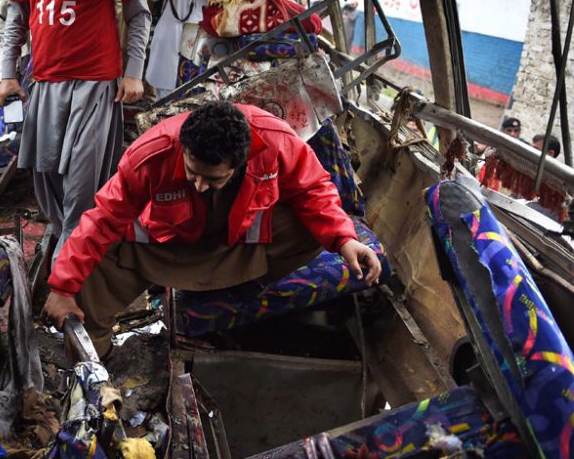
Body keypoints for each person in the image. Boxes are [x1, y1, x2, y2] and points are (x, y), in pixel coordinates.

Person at [43, 101, 382, 357]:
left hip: (237, 243)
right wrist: (62, 286)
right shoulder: (152, 154)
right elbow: (101, 218)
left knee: (312, 227)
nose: (200, 185)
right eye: (192, 172)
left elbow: (313, 190)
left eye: (213, 177)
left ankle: (235, 287)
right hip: (168, 246)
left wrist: (344, 240)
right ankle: (97, 371)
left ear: (242, 159)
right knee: (95, 270)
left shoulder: (276, 141)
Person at [0, 0, 152, 257]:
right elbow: (16, 14)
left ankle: (66, 277)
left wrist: (133, 71)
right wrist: (8, 72)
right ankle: (66, 245)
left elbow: (139, 13)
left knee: (83, 186)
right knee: (46, 178)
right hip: (44, 80)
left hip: (95, 83)